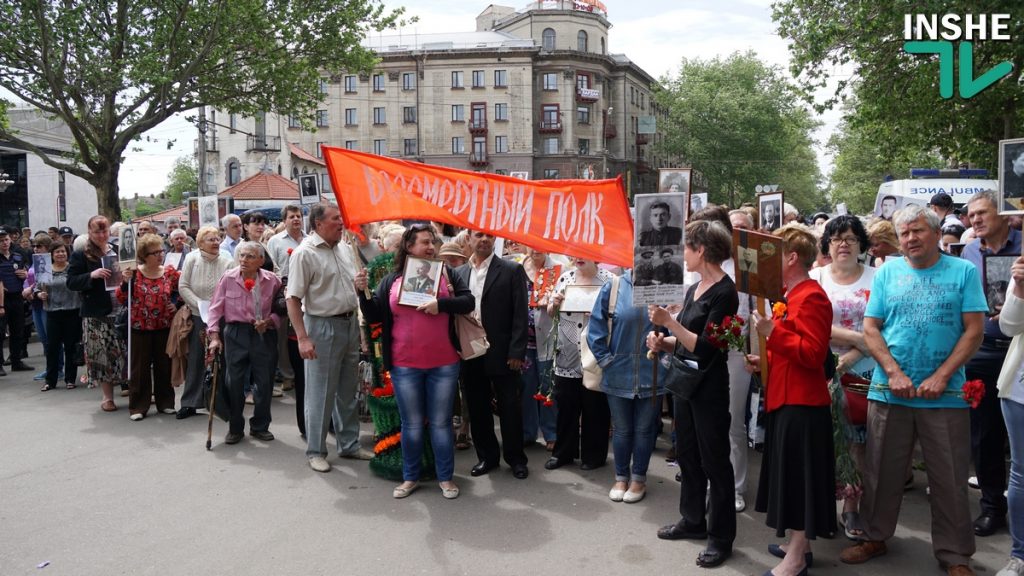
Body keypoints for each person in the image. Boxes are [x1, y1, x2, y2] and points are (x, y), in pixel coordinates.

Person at [841, 205, 986, 576]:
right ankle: (873, 536)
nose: (910, 239)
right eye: (904, 233)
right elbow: (871, 328)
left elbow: (974, 330)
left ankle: (955, 555)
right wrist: (892, 372)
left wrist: (941, 376)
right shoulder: (888, 272)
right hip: (890, 391)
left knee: (949, 476)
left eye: (918, 231)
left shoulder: (964, 272)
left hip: (946, 394)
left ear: (937, 233)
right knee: (880, 470)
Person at [355, 224, 473, 499]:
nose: (431, 247)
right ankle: (410, 478)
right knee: (412, 424)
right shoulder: (392, 280)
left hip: (443, 364)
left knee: (442, 423)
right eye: (424, 242)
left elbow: (468, 302)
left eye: (433, 242)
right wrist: (362, 293)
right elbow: (374, 316)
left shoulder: (447, 274)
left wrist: (440, 305)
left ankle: (445, 478)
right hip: (405, 365)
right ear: (409, 246)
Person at [743, 224, 836, 576]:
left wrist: (773, 332)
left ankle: (796, 558)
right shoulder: (790, 294)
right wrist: (763, 359)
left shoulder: (811, 296)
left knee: (799, 481)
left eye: (776, 254)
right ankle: (801, 545)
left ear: (792, 258)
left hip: (803, 404)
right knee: (794, 477)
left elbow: (813, 355)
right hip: (786, 397)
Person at [647, 220, 739, 568]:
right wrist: (662, 341)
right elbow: (684, 342)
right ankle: (693, 520)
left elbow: (705, 348)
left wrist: (670, 325)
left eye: (687, 246)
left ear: (702, 250)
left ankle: (721, 537)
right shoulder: (695, 288)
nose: (683, 253)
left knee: (715, 461)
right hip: (684, 383)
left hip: (709, 389)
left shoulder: (725, 292)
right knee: (687, 454)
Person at [287, 204, 372, 473]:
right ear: (318, 223)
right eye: (336, 218)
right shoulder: (304, 253)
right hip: (321, 327)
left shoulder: (345, 248)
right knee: (320, 393)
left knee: (348, 390)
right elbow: (293, 298)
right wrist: (303, 338)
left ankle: (349, 444)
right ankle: (316, 450)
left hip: (348, 324)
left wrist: (359, 285)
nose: (341, 222)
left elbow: (348, 289)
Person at [809, 215, 876, 540]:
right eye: (836, 239)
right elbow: (809, 322)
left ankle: (852, 509)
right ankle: (822, 509)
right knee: (823, 443)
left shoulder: (878, 278)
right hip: (821, 372)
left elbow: (885, 327)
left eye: (850, 238)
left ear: (861, 244)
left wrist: (853, 354)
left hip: (865, 373)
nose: (844, 244)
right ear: (827, 245)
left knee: (855, 447)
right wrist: (856, 339)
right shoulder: (816, 278)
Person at [962, 190, 1021, 537]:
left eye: (983, 212)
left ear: (1004, 213)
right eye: (972, 215)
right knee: (984, 435)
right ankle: (992, 508)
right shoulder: (969, 251)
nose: (976, 220)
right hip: (982, 351)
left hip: (1019, 350)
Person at [454, 230, 530, 479]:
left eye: (489, 235)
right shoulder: (459, 274)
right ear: (469, 240)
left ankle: (516, 459)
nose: (484, 239)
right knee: (477, 408)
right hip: (470, 351)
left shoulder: (511, 270)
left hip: (503, 351)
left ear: (495, 239)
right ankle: (487, 457)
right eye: (478, 235)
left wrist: (517, 351)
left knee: (510, 407)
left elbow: (520, 313)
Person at [588, 269, 664, 503]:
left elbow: (675, 328)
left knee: (644, 429)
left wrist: (665, 358)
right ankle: (621, 476)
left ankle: (638, 478)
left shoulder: (664, 286)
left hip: (652, 373)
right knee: (621, 429)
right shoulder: (614, 286)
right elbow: (595, 328)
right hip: (618, 372)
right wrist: (607, 361)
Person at [207, 241, 281, 442]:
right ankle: (235, 427)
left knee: (264, 382)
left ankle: (260, 425)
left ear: (261, 260)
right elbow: (215, 309)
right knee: (234, 382)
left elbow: (281, 310)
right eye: (241, 256)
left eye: (249, 256)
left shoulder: (273, 281)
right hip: (235, 333)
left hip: (263, 335)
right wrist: (214, 336)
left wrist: (270, 321)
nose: (243, 260)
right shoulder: (229, 278)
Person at [544, 258, 613, 472]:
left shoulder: (609, 281)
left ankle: (594, 455)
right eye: (575, 254)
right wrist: (553, 304)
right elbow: (550, 312)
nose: (579, 258)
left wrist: (602, 315)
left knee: (595, 406)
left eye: (583, 253)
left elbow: (616, 314)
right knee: (566, 406)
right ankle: (563, 452)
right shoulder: (566, 278)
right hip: (567, 353)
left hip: (594, 353)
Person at [116, 234, 179, 421]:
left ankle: (166, 403)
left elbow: (180, 290)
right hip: (139, 326)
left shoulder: (169, 272)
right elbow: (121, 298)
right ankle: (138, 406)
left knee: (164, 366)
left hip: (163, 325)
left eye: (161, 251)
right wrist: (125, 282)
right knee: (139, 368)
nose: (160, 255)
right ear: (144, 255)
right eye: (155, 252)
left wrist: (176, 304)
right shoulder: (134, 273)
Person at [176, 226, 236, 419]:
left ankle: (221, 402)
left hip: (222, 316)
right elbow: (183, 286)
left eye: (218, 239)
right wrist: (200, 306)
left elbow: (233, 288)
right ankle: (190, 402)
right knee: (195, 359)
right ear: (200, 243)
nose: (216, 242)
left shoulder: (228, 262)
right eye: (211, 239)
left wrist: (215, 309)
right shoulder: (192, 260)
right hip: (197, 315)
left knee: (222, 360)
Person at [67, 216, 125, 411]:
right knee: (102, 356)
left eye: (105, 231)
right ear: (89, 233)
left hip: (121, 309)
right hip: (97, 313)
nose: (101, 235)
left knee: (127, 352)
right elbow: (72, 281)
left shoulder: (117, 251)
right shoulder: (81, 255)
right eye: (97, 232)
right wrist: (92, 275)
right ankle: (107, 397)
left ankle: (134, 390)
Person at [996, 256, 1024, 576]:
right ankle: (1019, 555)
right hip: (1019, 392)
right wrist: (1019, 286)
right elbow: (1010, 325)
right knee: (1021, 473)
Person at [266, 204, 306, 395]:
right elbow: (270, 268)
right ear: (284, 220)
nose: (296, 219)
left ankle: (304, 371)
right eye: (292, 217)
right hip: (284, 293)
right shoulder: (275, 241)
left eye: (298, 216)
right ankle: (288, 375)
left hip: (308, 292)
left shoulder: (309, 240)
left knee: (304, 332)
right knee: (282, 336)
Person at [520, 246, 558, 451]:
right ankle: (528, 432)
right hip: (523, 341)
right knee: (526, 388)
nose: (536, 249)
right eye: (531, 244)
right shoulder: (517, 267)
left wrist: (553, 303)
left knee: (547, 387)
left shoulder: (558, 269)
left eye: (541, 244)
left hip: (547, 338)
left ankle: (551, 433)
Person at [35, 242, 81, 391]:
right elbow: (37, 286)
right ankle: (50, 380)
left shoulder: (72, 269)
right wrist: (39, 294)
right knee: (52, 347)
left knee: (70, 346)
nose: (60, 254)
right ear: (52, 255)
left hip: (72, 311)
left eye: (63, 251)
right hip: (52, 312)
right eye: (57, 252)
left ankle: (70, 379)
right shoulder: (45, 269)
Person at [0, 228, 32, 371]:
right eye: (1, 241)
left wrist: (24, 274)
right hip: (2, 299)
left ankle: (16, 361)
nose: (4, 243)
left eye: (6, 239)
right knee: (0, 332)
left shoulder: (17, 256)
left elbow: (26, 272)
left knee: (18, 330)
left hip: (17, 297)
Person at [25, 235, 54, 382]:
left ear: (47, 248)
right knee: (43, 339)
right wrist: (27, 290)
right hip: (35, 304)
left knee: (51, 339)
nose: (36, 248)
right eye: (35, 246)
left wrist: (31, 289)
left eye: (40, 246)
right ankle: (50, 368)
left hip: (47, 304)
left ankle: (56, 368)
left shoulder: (50, 263)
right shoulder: (34, 262)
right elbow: (29, 280)